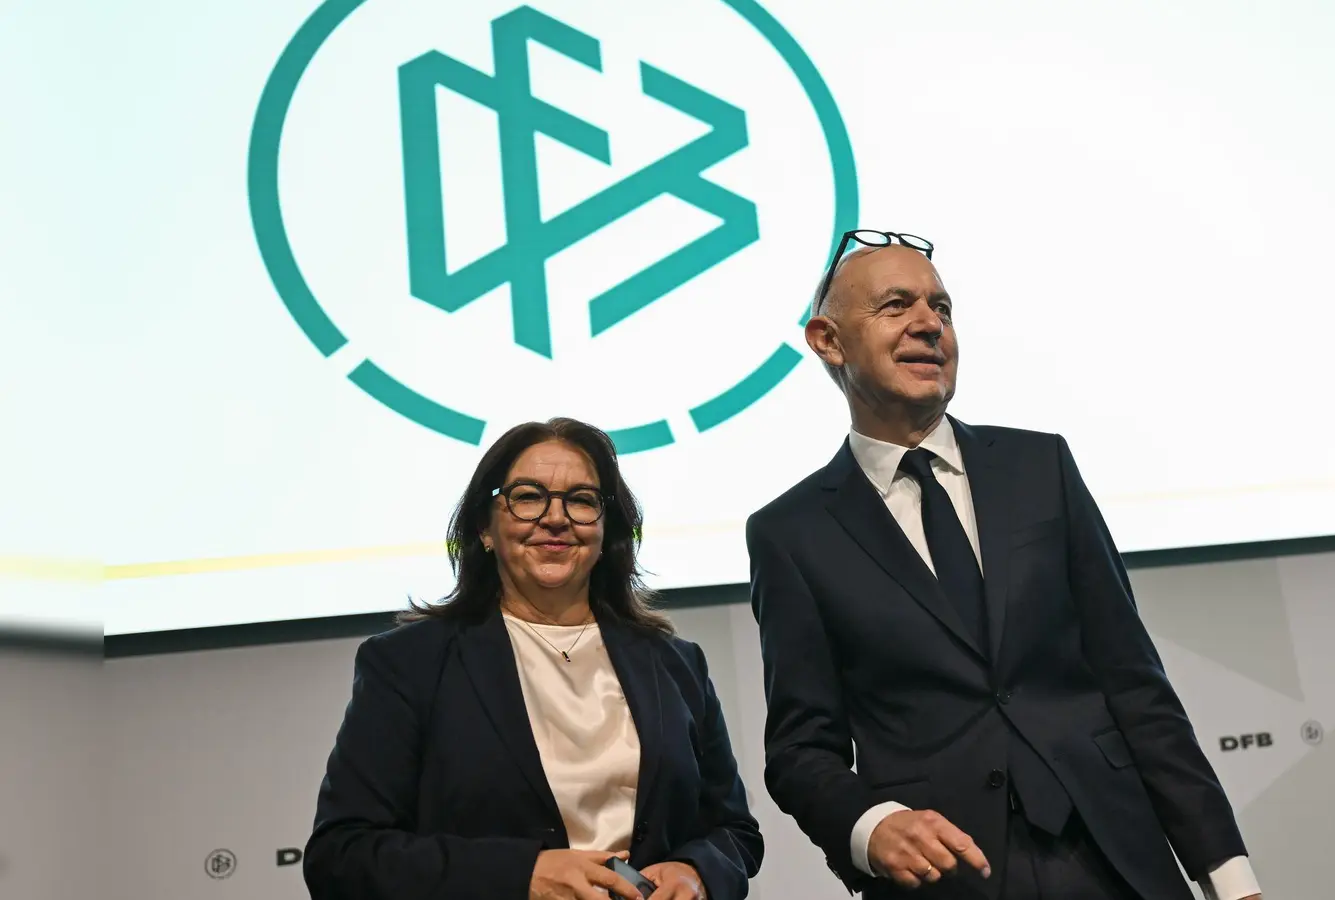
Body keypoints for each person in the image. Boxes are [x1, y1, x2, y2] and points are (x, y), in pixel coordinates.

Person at [746, 231, 1262, 900]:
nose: (929, 323)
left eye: (942, 307)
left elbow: (1135, 685)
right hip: (948, 878)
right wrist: (869, 826)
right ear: (829, 340)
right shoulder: (792, 533)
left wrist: (1226, 871)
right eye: (897, 305)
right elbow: (799, 750)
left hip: (1115, 859)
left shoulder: (1041, 468)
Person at [305, 418, 763, 900]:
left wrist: (697, 872)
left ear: (607, 532)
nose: (555, 518)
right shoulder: (409, 664)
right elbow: (342, 855)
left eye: (582, 501)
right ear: (484, 526)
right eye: (527, 497)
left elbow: (734, 831)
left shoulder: (675, 664)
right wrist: (522, 876)